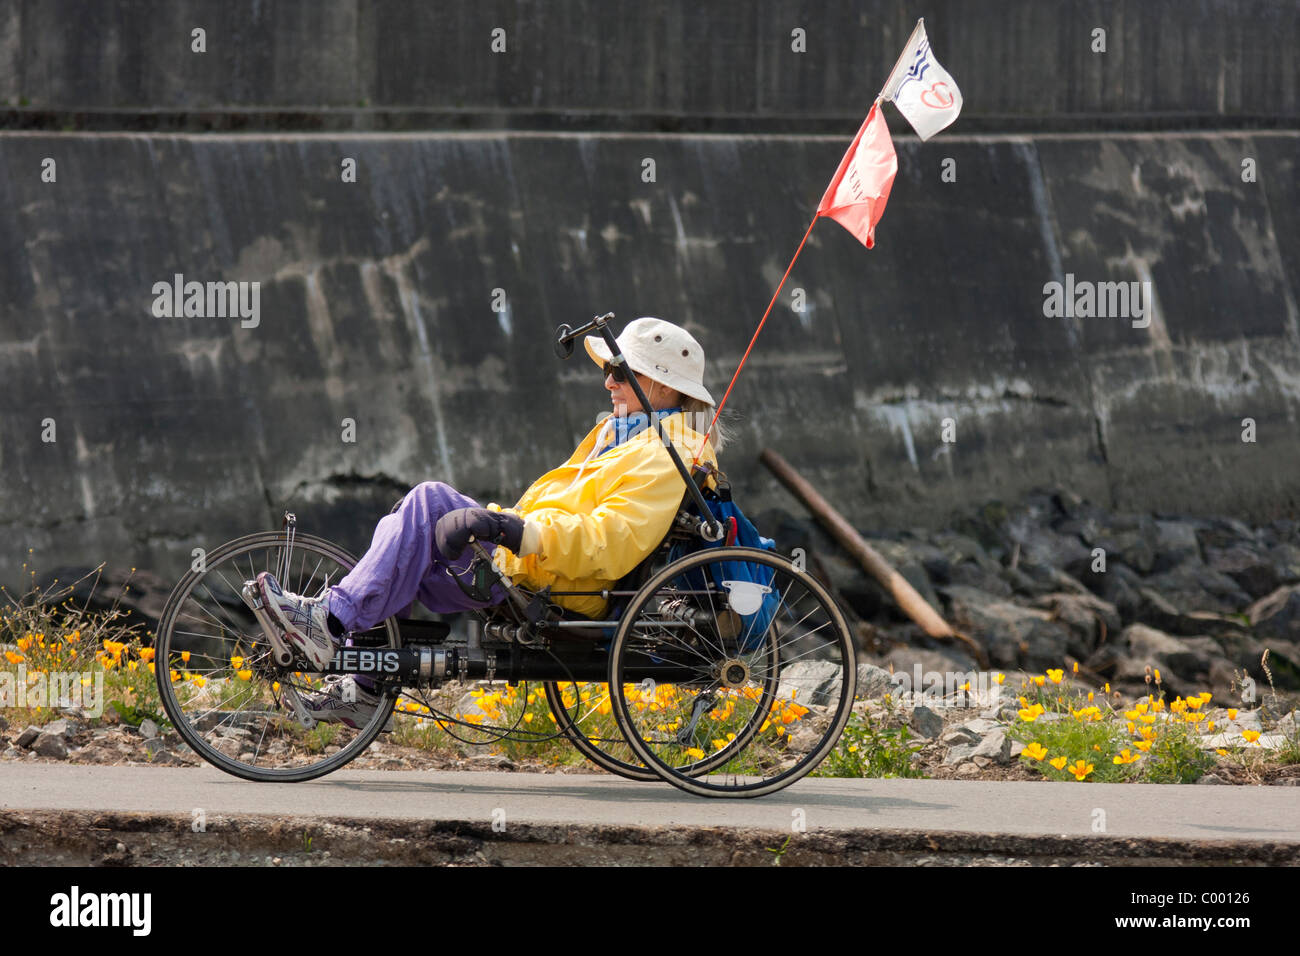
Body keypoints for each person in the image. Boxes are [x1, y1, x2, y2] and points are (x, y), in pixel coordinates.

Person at [253, 317, 723, 726]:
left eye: (620, 372)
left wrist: (511, 530)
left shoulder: (666, 453)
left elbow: (612, 540)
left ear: (662, 386)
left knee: (427, 502)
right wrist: (502, 523)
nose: (608, 382)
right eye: (608, 370)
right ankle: (361, 685)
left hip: (559, 586)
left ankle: (329, 624)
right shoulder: (624, 434)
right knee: (406, 532)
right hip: (536, 568)